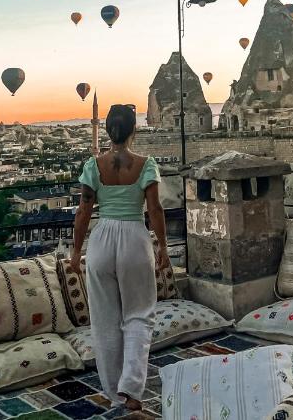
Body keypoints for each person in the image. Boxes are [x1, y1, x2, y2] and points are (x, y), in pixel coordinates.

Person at [69, 103, 169, 411]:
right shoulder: (146, 164)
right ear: (134, 130)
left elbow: (84, 211)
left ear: (108, 129)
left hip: (101, 241)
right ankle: (132, 387)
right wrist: (163, 245)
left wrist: (75, 250)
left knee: (105, 320)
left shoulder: (93, 165)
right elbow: (154, 210)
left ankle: (114, 394)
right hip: (135, 240)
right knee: (139, 315)